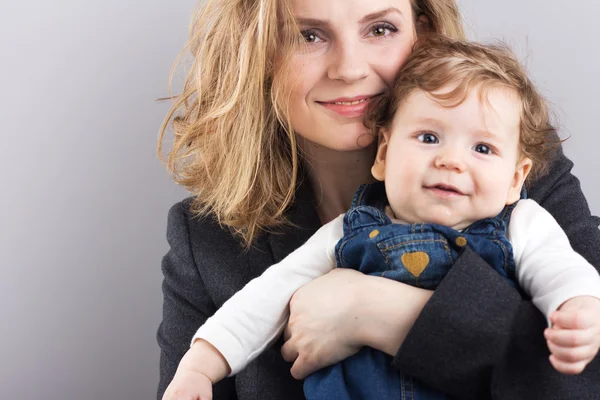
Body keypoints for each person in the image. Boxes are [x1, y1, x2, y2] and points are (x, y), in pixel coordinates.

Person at [156, 0, 600, 399]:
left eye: (380, 29)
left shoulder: (515, 182)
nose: (349, 69)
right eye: (307, 36)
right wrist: (200, 364)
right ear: (257, 56)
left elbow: (587, 374)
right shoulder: (206, 239)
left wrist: (376, 311)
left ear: (422, 35)